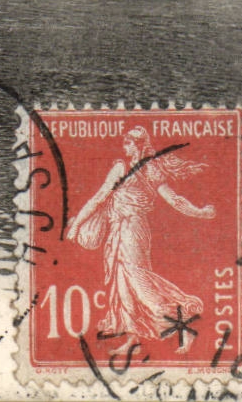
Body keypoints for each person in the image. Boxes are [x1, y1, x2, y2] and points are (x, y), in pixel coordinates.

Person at [66, 127, 215, 347]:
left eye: (128, 143)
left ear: (138, 145)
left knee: (139, 283)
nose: (124, 147)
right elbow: (175, 200)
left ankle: (186, 326)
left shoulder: (127, 168)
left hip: (131, 231)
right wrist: (199, 212)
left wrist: (76, 224)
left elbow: (100, 198)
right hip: (122, 230)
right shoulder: (150, 169)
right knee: (123, 284)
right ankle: (133, 339)